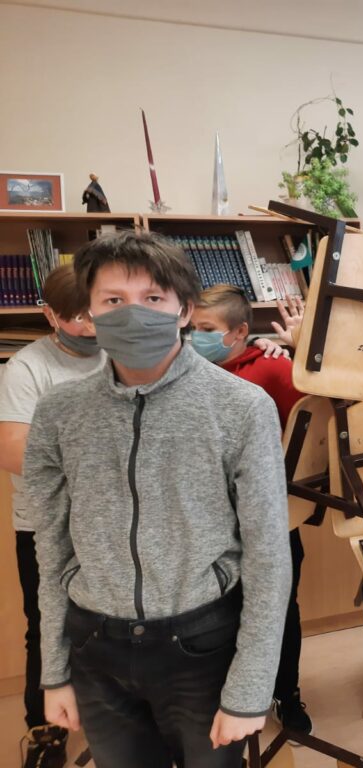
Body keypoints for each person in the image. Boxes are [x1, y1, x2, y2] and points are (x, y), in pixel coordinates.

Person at [22, 231, 291, 767]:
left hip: (202, 644)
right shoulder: (59, 412)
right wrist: (55, 670)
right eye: (113, 300)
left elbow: (267, 556)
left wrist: (250, 687)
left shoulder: (242, 407)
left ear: (184, 309)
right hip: (95, 645)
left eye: (152, 298)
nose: (133, 313)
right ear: (90, 312)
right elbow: (50, 548)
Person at [190, 284, 311, 737]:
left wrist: (299, 353)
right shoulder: (186, 371)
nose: (195, 337)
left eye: (206, 329)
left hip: (271, 519)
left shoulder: (272, 369)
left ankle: (286, 694)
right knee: (217, 614)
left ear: (240, 332)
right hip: (210, 523)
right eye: (192, 328)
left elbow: (319, 419)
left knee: (280, 610)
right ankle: (225, 701)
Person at [0, 266, 106, 768]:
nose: (88, 326)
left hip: (114, 520)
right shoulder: (28, 368)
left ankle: (116, 715)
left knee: (115, 621)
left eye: (96, 313)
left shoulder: (121, 353)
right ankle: (45, 732)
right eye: (76, 317)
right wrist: (101, 459)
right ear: (49, 315)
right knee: (47, 626)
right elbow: (12, 448)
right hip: (47, 525)